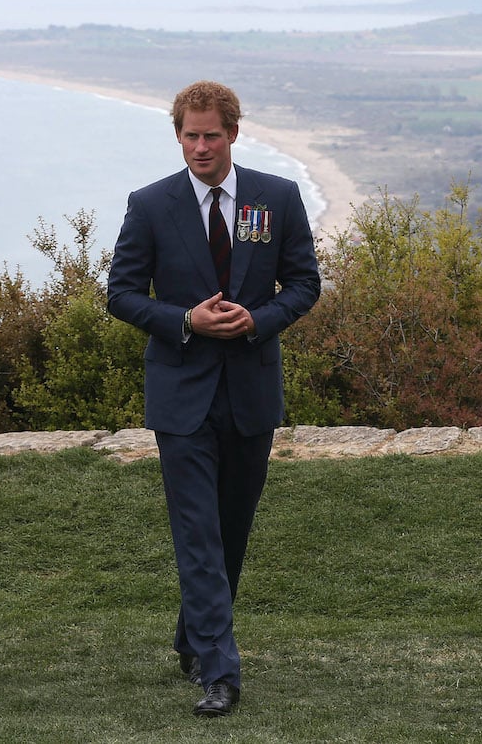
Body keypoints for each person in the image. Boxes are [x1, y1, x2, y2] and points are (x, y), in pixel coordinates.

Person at [107, 81, 321, 717]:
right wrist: (185, 321)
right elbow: (121, 293)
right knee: (196, 531)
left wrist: (258, 320)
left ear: (233, 133)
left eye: (211, 135)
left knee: (230, 531)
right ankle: (221, 672)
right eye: (189, 135)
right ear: (177, 135)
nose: (199, 147)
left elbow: (305, 282)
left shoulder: (276, 198)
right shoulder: (149, 205)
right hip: (181, 398)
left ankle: (193, 637)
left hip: (251, 392)